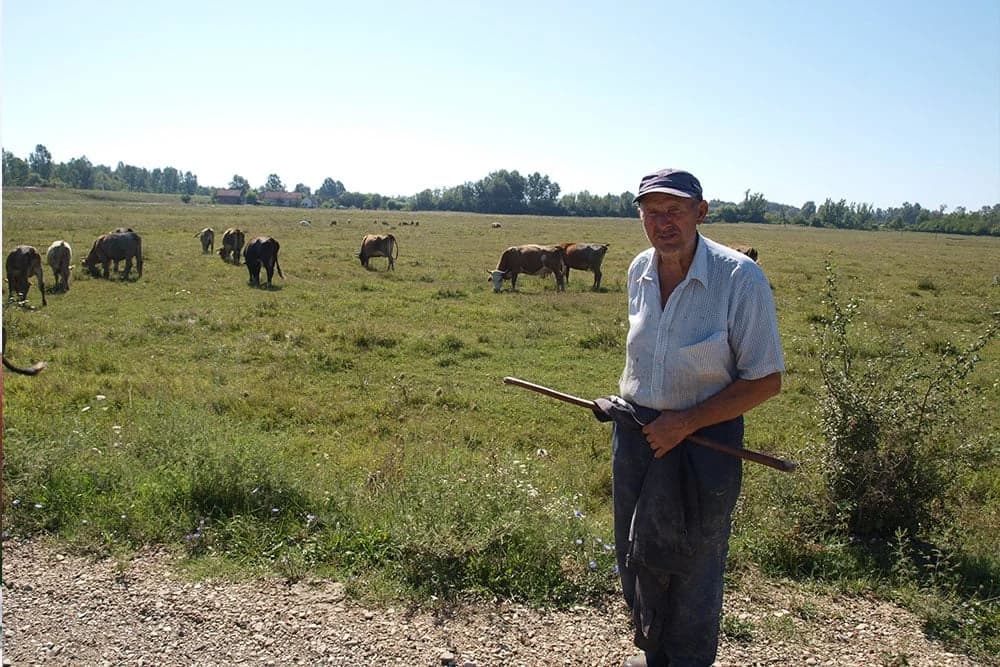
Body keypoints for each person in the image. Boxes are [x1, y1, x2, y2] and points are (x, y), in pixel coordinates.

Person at [614, 168, 785, 667]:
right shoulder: (638, 270)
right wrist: (623, 402)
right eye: (651, 211)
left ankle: (687, 661)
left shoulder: (739, 278)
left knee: (695, 560)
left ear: (701, 212)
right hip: (639, 436)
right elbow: (646, 360)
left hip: (705, 444)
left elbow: (766, 380)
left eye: (675, 210)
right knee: (636, 549)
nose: (662, 222)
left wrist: (684, 423)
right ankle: (652, 652)